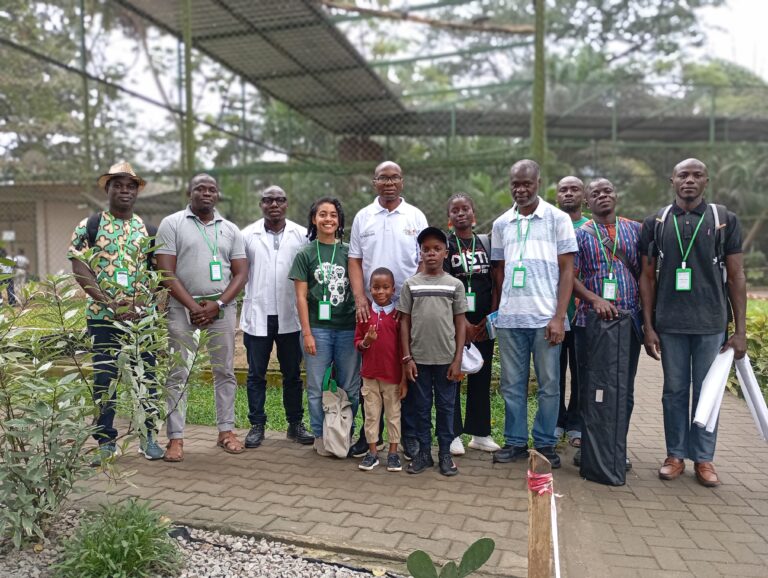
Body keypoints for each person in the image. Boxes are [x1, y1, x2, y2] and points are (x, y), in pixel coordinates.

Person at [639, 158, 746, 487]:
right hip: (669, 323)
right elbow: (646, 277)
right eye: (683, 175)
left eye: (696, 175)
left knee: (707, 393)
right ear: (671, 180)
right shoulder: (657, 221)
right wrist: (648, 325)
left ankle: (703, 458)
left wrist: (740, 331)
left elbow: (736, 276)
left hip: (710, 323)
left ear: (706, 181)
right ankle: (675, 455)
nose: (689, 180)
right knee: (673, 391)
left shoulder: (723, 219)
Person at [67, 161, 163, 464]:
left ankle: (148, 438)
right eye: (118, 184)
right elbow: (80, 268)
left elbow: (158, 273)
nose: (125, 190)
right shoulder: (90, 226)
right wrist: (110, 303)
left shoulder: (148, 230)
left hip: (140, 321)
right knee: (105, 378)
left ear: (137, 192)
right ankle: (105, 441)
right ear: (107, 188)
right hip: (102, 318)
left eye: (130, 185)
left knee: (146, 377)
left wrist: (144, 304)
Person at [156, 173, 248, 462]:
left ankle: (226, 431)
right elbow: (166, 272)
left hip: (221, 309)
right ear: (189, 192)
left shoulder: (231, 229)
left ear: (218, 194)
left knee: (224, 372)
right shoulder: (171, 224)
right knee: (178, 372)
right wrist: (194, 307)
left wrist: (218, 304)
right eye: (200, 188)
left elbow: (241, 272)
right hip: (181, 308)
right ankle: (176, 438)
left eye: (212, 189)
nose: (206, 193)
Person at [491, 159, 576, 469]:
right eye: (515, 183)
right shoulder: (502, 224)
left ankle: (544, 444)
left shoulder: (557, 219)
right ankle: (514, 442)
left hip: (545, 320)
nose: (520, 189)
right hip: (511, 320)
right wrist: (500, 311)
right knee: (512, 385)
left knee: (549, 384)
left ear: (539, 183)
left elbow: (568, 271)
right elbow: (499, 271)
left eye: (526, 183)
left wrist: (558, 316)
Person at [348, 161, 428, 459]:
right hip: (371, 308)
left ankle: (408, 436)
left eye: (394, 177)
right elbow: (355, 259)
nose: (389, 182)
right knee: (372, 370)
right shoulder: (363, 217)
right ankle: (370, 436)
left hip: (405, 309)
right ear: (374, 182)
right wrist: (360, 299)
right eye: (383, 177)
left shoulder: (415, 216)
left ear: (402, 182)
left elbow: (423, 260)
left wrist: (407, 301)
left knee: (406, 369)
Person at [571, 178, 643, 471]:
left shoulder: (636, 230)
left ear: (616, 195)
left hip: (629, 322)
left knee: (623, 388)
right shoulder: (580, 235)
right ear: (587, 202)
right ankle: (590, 447)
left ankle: (616, 447)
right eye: (595, 193)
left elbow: (647, 276)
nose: (602, 196)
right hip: (590, 323)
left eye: (607, 191)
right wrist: (594, 299)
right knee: (590, 387)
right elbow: (569, 277)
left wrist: (649, 323)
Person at [240, 186, 313, 449]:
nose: (274, 204)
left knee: (292, 374)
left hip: (290, 316)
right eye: (269, 200)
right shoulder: (247, 235)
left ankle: (295, 424)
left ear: (287, 204)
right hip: (257, 314)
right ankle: (257, 425)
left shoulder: (302, 235)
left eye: (279, 200)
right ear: (261, 204)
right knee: (255, 374)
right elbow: (238, 272)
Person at [289, 197, 360, 456]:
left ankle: (344, 434)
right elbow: (300, 297)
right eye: (322, 214)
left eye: (333, 215)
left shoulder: (350, 252)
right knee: (317, 386)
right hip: (317, 329)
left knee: (351, 385)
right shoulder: (305, 253)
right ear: (313, 219)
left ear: (339, 221)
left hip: (347, 328)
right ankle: (320, 435)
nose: (328, 219)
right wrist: (307, 333)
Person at [398, 226, 467, 476]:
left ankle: (445, 453)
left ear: (446, 253)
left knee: (447, 408)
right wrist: (407, 358)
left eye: (437, 249)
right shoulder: (411, 284)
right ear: (420, 253)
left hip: (447, 359)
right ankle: (424, 453)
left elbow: (460, 322)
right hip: (419, 360)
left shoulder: (454, 285)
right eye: (426, 249)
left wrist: (458, 358)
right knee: (421, 407)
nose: (431, 254)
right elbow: (404, 321)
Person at [444, 193, 500, 456]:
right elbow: (443, 285)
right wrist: (462, 321)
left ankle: (480, 433)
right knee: (454, 375)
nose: (461, 213)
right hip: (456, 322)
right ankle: (452, 434)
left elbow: (495, 281)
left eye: (465, 209)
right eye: (455, 210)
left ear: (474, 215)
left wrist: (489, 318)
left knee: (482, 375)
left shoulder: (485, 243)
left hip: (483, 322)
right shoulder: (446, 245)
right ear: (449, 219)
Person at [354, 267, 406, 472]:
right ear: (370, 288)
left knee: (393, 415)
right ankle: (373, 452)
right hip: (369, 375)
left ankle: (393, 453)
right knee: (371, 415)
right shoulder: (365, 314)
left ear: (393, 289)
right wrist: (366, 341)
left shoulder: (398, 316)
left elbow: (403, 348)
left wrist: (403, 380)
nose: (381, 292)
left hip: (392, 376)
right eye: (376, 287)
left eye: (385, 287)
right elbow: (357, 341)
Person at [555, 176, 589, 448]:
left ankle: (576, 424)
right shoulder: (551, 225)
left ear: (584, 195)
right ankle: (556, 421)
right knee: (554, 371)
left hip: (582, 313)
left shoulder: (591, 228)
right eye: (563, 190)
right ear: (556, 196)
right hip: (554, 311)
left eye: (574, 189)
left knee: (581, 372)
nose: (568, 193)